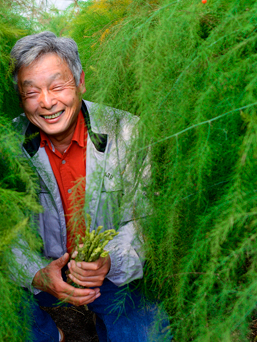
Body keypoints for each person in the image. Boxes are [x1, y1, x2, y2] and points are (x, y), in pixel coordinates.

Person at [9, 32, 171, 342]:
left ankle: (103, 317)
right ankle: (50, 333)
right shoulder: (6, 144)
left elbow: (146, 219)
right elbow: (0, 233)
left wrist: (109, 260)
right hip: (41, 274)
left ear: (81, 82)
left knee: (146, 336)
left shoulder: (128, 132)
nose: (47, 102)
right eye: (31, 92)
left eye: (58, 86)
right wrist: (36, 273)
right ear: (20, 97)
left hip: (111, 275)